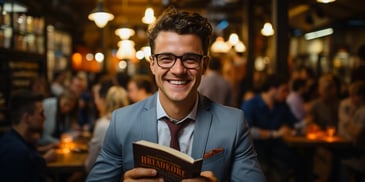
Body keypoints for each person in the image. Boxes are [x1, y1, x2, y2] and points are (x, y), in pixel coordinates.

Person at [87, 7, 265, 182]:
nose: (178, 70)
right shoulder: (122, 122)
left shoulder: (233, 123)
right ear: (152, 64)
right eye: (166, 58)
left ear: (204, 65)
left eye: (190, 59)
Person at [241, 74, 308, 182]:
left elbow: (295, 124)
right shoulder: (251, 104)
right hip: (256, 151)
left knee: (302, 162)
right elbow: (247, 131)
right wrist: (276, 133)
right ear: (272, 89)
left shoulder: (282, 106)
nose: (287, 95)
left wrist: (305, 124)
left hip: (278, 150)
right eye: (284, 91)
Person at [0, 90, 56, 182]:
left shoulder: (10, 139)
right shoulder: (18, 153)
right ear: (27, 118)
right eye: (41, 114)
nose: (45, 118)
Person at [85, 85, 129, 172]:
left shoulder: (102, 124)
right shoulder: (130, 122)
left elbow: (93, 157)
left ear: (107, 101)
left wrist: (86, 169)